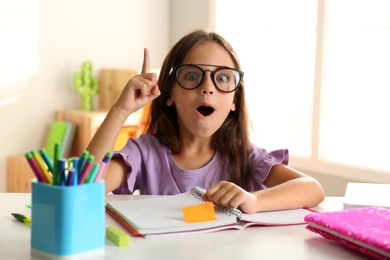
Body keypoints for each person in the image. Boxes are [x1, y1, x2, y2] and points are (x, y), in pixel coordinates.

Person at [87, 29, 324, 214]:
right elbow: (86, 188)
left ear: (234, 100)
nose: (207, 88)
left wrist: (254, 200)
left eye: (222, 78)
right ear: (169, 93)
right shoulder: (145, 153)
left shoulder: (245, 157)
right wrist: (120, 110)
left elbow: (312, 189)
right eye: (192, 76)